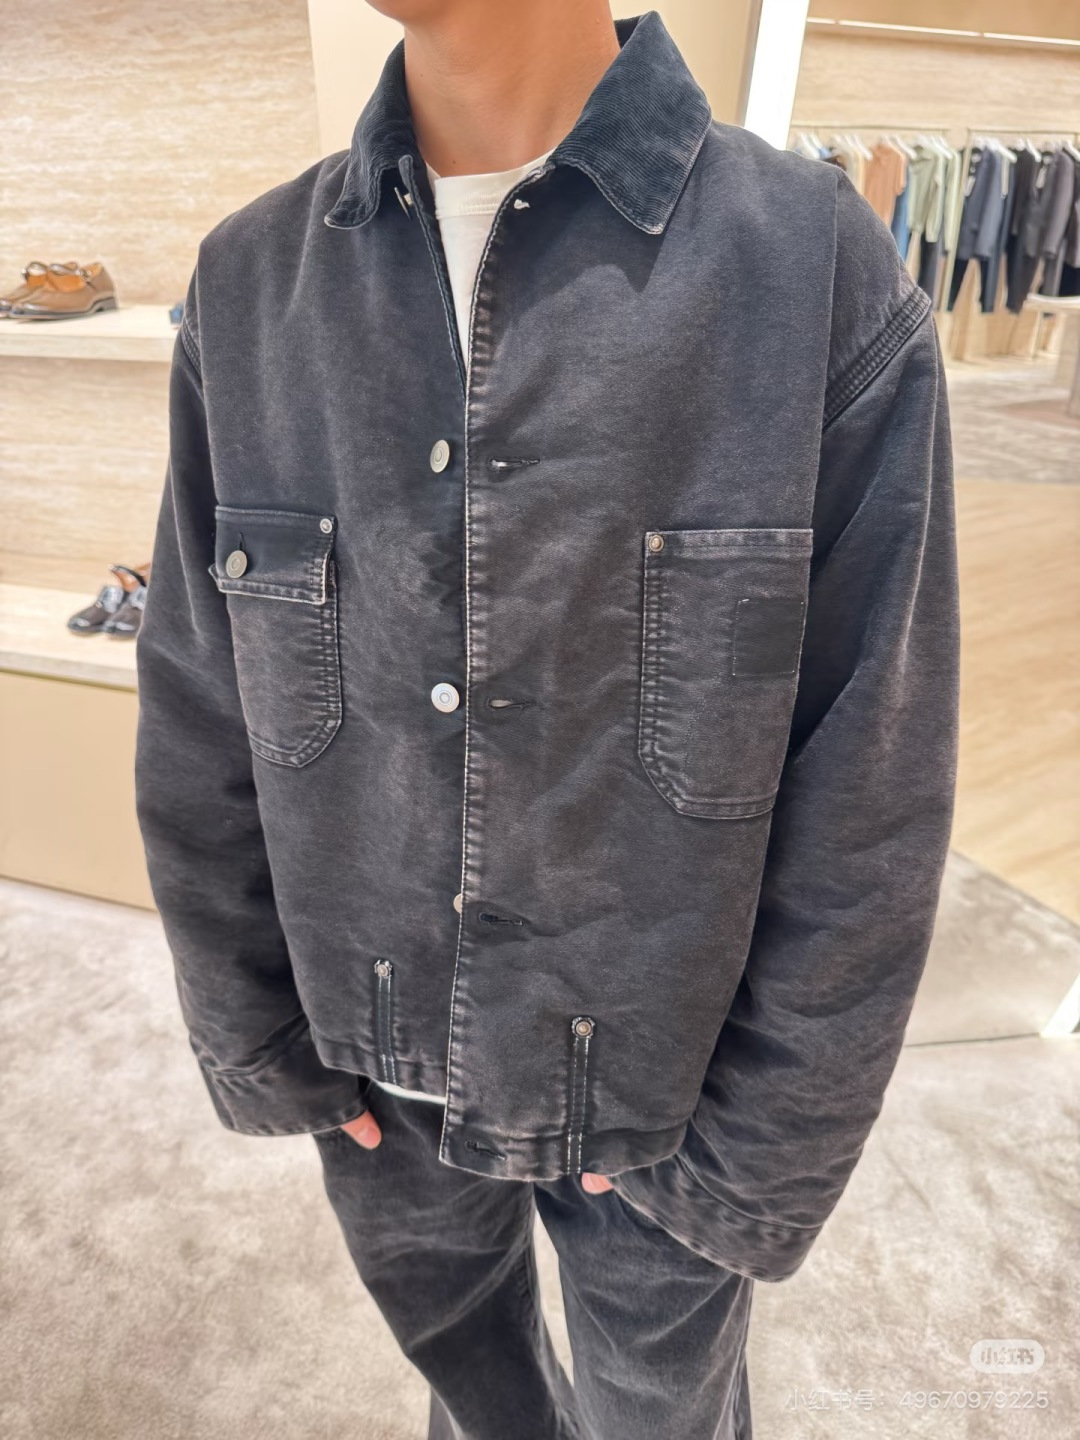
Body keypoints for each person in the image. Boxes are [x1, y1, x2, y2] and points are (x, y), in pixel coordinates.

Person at [133, 4, 960, 1437]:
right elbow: (205, 701)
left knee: (664, 1413)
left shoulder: (805, 264)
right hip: (371, 1054)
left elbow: (872, 776)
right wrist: (259, 1032)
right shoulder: (252, 284)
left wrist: (758, 1157)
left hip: (666, 1088)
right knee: (473, 1386)